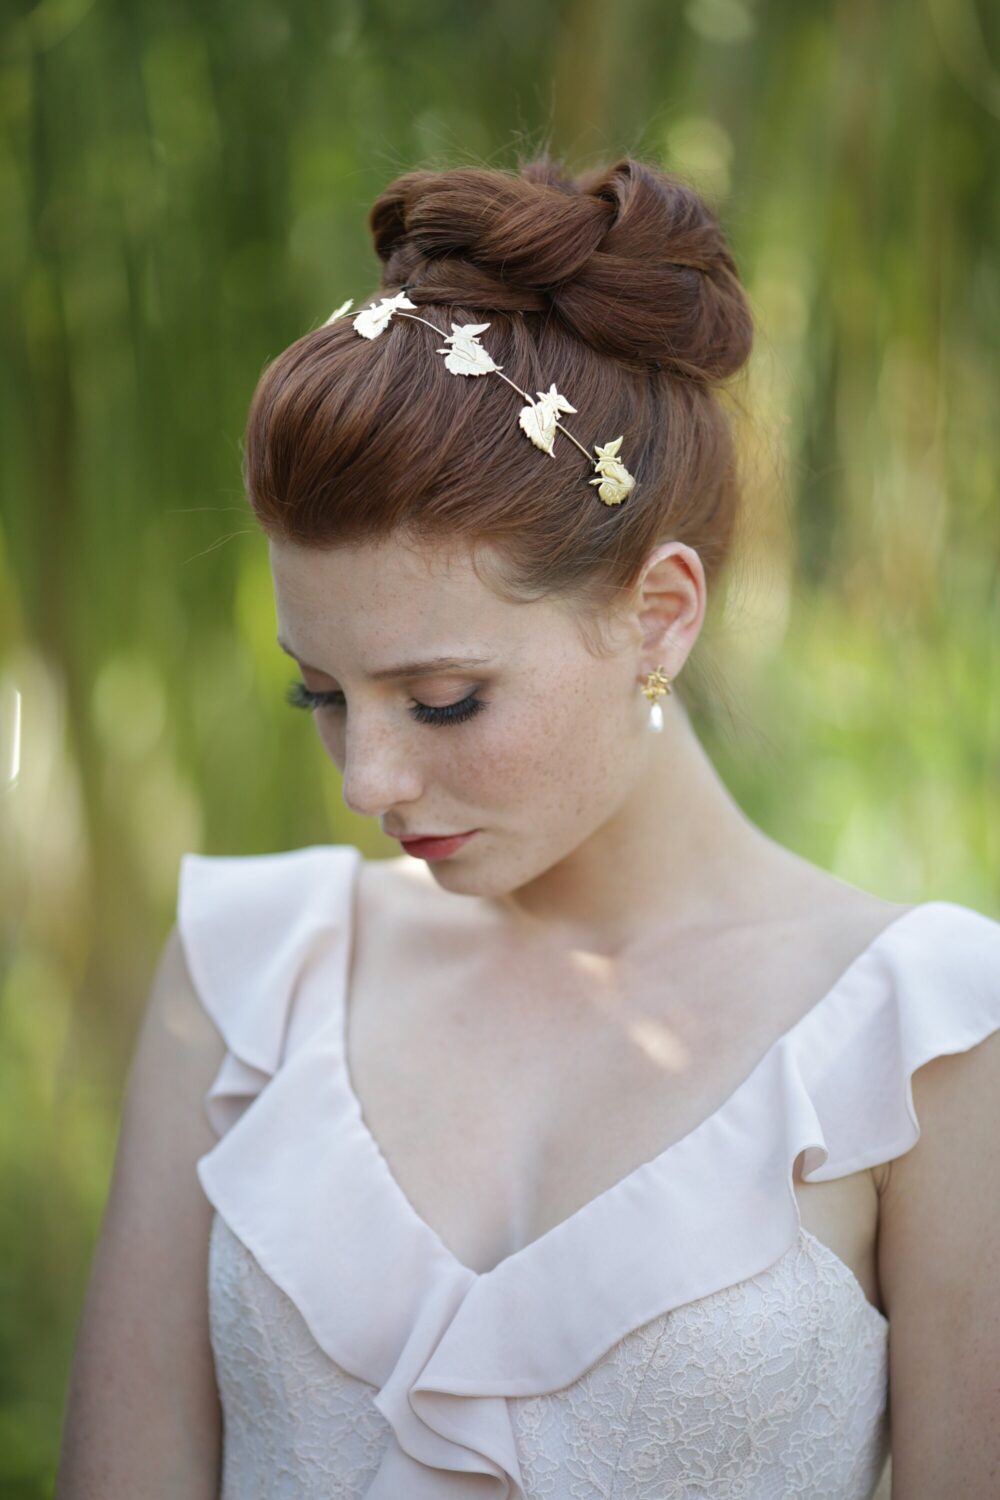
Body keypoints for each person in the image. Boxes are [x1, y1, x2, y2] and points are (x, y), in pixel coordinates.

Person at [57, 154, 1000, 1499]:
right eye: (318, 693)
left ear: (661, 612)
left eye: (442, 701)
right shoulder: (246, 971)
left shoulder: (926, 1038)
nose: (366, 781)